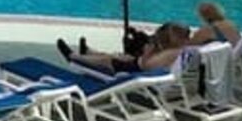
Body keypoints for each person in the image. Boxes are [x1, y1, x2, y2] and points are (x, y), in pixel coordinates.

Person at [59, 22, 192, 73]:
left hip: (136, 70)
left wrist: (147, 53)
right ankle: (88, 52)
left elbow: (146, 66)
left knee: (109, 60)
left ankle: (74, 57)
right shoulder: (185, 51)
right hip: (137, 63)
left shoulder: (172, 53)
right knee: (121, 56)